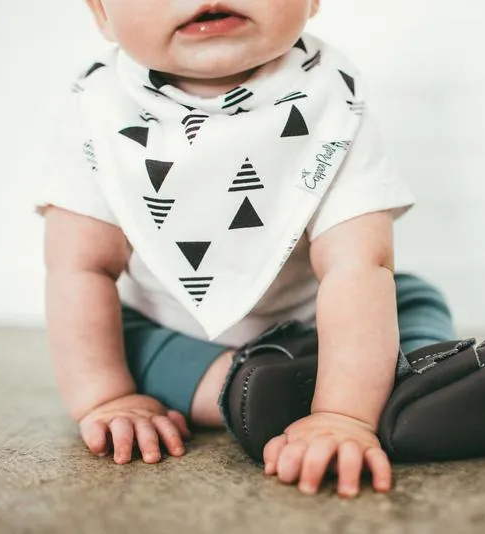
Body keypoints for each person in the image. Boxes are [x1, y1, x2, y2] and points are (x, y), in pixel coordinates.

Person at [37, 0, 457, 499]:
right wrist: (107, 397)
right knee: (125, 343)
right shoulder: (101, 110)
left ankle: (400, 377)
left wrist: (342, 416)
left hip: (324, 322)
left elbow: (356, 266)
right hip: (175, 326)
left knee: (409, 296)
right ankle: (336, 389)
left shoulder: (328, 99)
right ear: (101, 13)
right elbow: (79, 269)